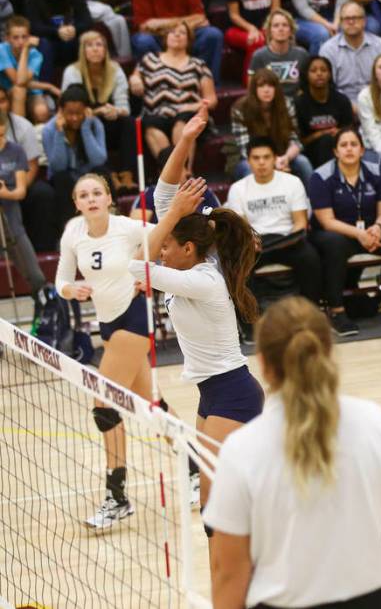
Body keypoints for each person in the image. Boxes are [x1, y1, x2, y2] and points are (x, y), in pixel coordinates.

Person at [204, 296, 381, 609]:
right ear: (329, 352)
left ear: (263, 364)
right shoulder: (377, 424)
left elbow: (228, 574)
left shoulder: (240, 451)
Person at [130, 132, 264, 549]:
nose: (162, 253)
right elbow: (165, 188)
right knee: (218, 508)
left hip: (234, 393)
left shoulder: (204, 279)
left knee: (215, 503)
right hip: (212, 393)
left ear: (188, 247)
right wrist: (187, 137)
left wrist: (166, 220)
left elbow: (137, 266)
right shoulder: (194, 264)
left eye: (168, 247)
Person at [54, 174, 156, 528]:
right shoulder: (73, 232)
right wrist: (72, 291)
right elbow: (61, 279)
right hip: (107, 323)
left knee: (103, 403)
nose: (91, 198)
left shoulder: (128, 228)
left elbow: (168, 238)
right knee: (151, 404)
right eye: (84, 195)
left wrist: (151, 271)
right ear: (76, 203)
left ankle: (117, 497)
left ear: (109, 198)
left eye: (97, 192)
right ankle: (193, 466)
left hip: (134, 315)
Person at [309, 128, 381, 335]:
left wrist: (377, 228)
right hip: (337, 233)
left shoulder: (377, 172)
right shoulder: (321, 176)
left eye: (353, 144)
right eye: (343, 145)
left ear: (362, 150)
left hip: (371, 230)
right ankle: (337, 312)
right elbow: (327, 221)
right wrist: (359, 234)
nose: (349, 149)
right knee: (334, 244)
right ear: (335, 151)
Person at [225, 137, 323, 306]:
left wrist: (290, 240)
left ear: (275, 158)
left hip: (288, 240)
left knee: (311, 258)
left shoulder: (292, 182)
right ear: (248, 161)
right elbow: (242, 227)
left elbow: (300, 222)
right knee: (237, 266)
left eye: (266, 157)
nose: (261, 162)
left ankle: (311, 312)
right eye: (256, 158)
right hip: (255, 244)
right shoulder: (238, 189)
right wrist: (250, 241)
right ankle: (250, 324)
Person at [129, 22, 218, 163]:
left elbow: (211, 100)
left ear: (189, 40)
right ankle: (168, 174)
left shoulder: (198, 65)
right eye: (172, 32)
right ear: (165, 38)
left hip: (187, 113)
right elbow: (135, 77)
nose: (177, 35)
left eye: (182, 33)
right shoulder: (150, 60)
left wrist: (191, 106)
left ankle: (184, 173)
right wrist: (135, 80)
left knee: (182, 124)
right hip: (156, 113)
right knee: (151, 126)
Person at [62, 31, 135, 195]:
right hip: (84, 124)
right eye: (90, 45)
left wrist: (116, 110)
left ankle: (127, 174)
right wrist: (96, 112)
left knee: (129, 122)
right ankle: (111, 176)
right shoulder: (72, 72)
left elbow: (125, 106)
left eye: (99, 45)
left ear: (106, 49)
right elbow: (70, 110)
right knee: (93, 123)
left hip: (111, 122)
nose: (95, 49)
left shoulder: (115, 70)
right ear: (83, 50)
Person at [131, 0, 224, 85]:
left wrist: (162, 24)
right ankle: (159, 85)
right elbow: (145, 25)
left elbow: (200, 17)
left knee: (213, 35)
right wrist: (182, 23)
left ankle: (206, 85)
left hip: (186, 33)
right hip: (157, 36)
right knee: (143, 41)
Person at [42, 84, 107, 235]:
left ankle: (107, 228)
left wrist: (85, 128)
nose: (74, 118)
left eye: (79, 113)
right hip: (63, 179)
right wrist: (59, 133)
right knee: (62, 178)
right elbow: (58, 166)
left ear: (87, 110)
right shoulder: (50, 130)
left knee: (102, 174)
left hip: (88, 174)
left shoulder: (95, 125)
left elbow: (99, 160)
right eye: (69, 113)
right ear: (61, 110)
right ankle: (68, 234)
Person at [231, 67, 311, 184]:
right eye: (261, 86)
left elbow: (295, 139)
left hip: (282, 154)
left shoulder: (286, 104)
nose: (266, 90)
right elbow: (245, 149)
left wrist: (286, 158)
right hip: (252, 158)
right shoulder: (240, 108)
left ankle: (313, 201)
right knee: (248, 169)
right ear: (254, 89)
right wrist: (271, 163)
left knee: (303, 162)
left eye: (270, 86)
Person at [0, 112, 46, 309]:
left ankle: (45, 310)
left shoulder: (16, 151)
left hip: (11, 217)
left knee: (35, 275)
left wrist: (3, 192)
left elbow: (20, 191)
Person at [319, 0, 381, 108]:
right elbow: (327, 88)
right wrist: (349, 107)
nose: (351, 22)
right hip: (341, 106)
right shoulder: (328, 50)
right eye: (346, 19)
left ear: (364, 21)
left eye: (355, 18)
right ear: (340, 22)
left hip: (377, 103)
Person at [25, 0, 93, 75]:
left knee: (87, 39)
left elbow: (87, 20)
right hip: (48, 43)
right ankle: (45, 90)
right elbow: (34, 27)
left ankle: (83, 83)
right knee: (44, 43)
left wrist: (75, 29)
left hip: (70, 40)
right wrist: (56, 32)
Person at [225, 0, 283, 77]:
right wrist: (251, 28)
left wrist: (267, 28)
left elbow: (275, 9)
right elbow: (234, 15)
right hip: (238, 29)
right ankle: (251, 86)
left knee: (280, 36)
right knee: (257, 41)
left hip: (266, 25)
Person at [296, 55, 355, 169]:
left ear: (330, 74)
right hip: (310, 151)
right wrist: (321, 134)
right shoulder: (299, 103)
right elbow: (300, 140)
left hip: (339, 146)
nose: (319, 73)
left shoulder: (341, 100)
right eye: (313, 70)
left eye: (323, 70)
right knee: (325, 141)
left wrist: (338, 132)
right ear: (306, 75)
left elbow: (350, 130)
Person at [0, 16, 60, 125]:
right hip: (7, 92)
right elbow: (17, 81)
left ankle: (37, 138)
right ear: (7, 39)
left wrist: (26, 51)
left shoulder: (36, 55)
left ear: (30, 37)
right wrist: (47, 86)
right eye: (16, 37)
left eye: (24, 37)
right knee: (19, 91)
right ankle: (19, 136)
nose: (21, 41)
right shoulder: (2, 50)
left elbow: (22, 81)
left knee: (41, 111)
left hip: (31, 92)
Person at [248, 9, 309, 99]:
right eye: (276, 26)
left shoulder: (302, 54)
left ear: (291, 30)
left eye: (285, 25)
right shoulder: (259, 56)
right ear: (269, 31)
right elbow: (251, 89)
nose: (281, 29)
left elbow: (307, 87)